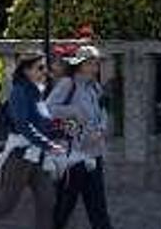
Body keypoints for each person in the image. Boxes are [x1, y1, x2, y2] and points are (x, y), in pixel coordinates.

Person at [0, 51, 66, 229]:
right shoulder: (20, 92)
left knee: (47, 202)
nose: (45, 72)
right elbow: (24, 126)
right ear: (26, 71)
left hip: (37, 157)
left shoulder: (37, 93)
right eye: (40, 68)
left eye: (45, 68)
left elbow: (43, 124)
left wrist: (64, 129)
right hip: (20, 157)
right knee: (5, 206)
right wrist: (49, 145)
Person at [48, 45, 113, 229]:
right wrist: (73, 111)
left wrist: (100, 130)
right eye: (91, 63)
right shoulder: (68, 84)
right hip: (72, 158)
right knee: (62, 209)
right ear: (81, 65)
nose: (95, 67)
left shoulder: (95, 88)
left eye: (97, 63)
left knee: (99, 210)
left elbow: (103, 113)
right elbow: (48, 109)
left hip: (93, 155)